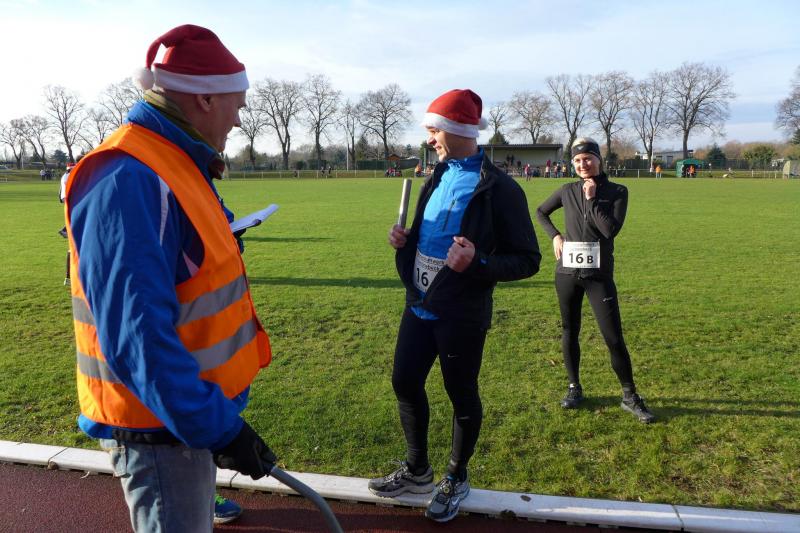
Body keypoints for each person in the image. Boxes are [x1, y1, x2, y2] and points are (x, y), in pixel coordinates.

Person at [63, 25, 275, 532]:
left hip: (180, 419)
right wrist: (218, 429)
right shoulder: (130, 175)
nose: (240, 118)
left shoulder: (172, 160)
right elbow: (137, 335)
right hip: (161, 427)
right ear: (205, 98)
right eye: (238, 104)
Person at [370, 89, 541, 522]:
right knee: (404, 381)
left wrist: (478, 261)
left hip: (462, 312)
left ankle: (456, 476)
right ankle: (417, 470)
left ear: (458, 130)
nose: (429, 139)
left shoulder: (501, 189)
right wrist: (405, 240)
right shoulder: (438, 173)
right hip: (420, 302)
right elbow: (429, 232)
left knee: (461, 394)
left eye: (434, 130)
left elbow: (528, 260)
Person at [535, 137, 655, 424]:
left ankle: (629, 396)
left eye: (587, 158)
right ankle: (574, 387)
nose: (582, 164)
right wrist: (555, 235)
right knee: (569, 330)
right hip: (567, 273)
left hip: (598, 276)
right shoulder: (567, 190)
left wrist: (591, 199)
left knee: (613, 336)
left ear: (599, 160)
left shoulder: (617, 191)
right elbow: (540, 212)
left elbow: (609, 230)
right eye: (577, 160)